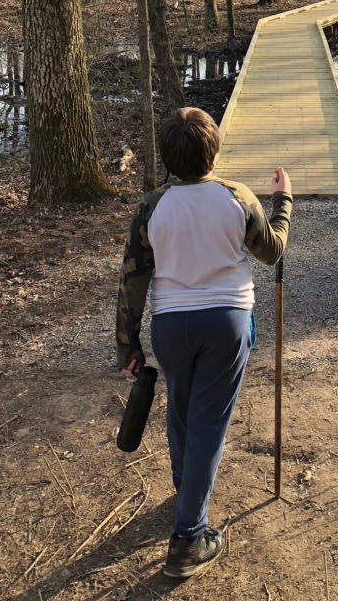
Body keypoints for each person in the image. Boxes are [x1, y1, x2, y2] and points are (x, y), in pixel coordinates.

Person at [115, 107, 293, 579]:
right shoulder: (236, 197)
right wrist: (284, 202)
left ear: (169, 158)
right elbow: (272, 250)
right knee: (209, 424)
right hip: (226, 322)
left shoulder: (152, 206)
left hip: (171, 326)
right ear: (214, 150)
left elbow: (133, 279)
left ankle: (185, 490)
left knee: (182, 411)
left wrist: (127, 345)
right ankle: (189, 537)